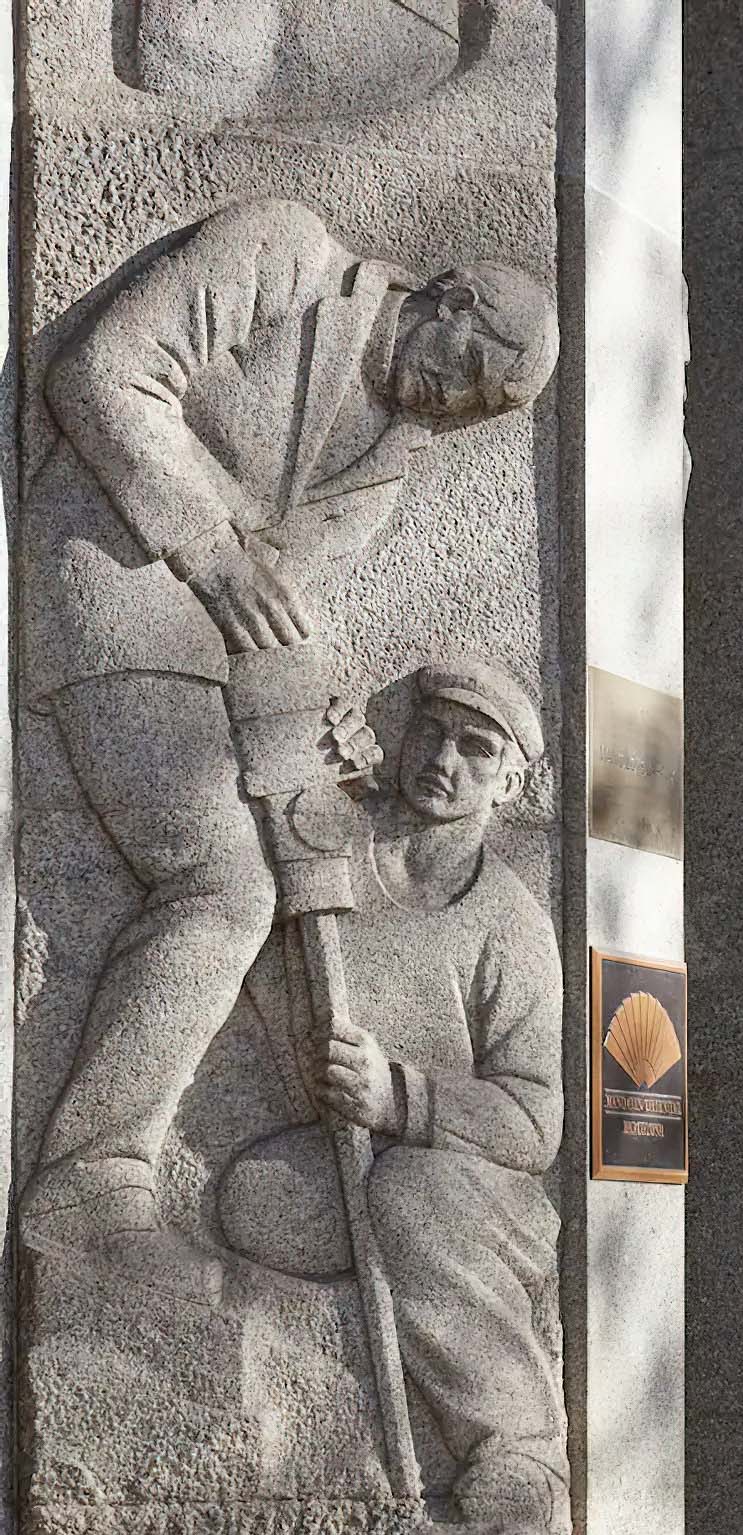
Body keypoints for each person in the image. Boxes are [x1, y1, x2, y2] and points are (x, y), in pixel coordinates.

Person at [22, 196, 559, 1280]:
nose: (449, 412)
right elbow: (101, 375)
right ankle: (91, 1182)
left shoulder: (387, 469)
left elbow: (280, 605)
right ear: (445, 299)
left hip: (206, 652)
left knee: (303, 870)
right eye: (463, 379)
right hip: (104, 571)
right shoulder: (287, 250)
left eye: (477, 415)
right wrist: (208, 545)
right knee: (221, 885)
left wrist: (324, 726)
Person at [219, 660, 565, 1525]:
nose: (445, 758)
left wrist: (399, 1096)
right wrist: (305, 781)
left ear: (510, 782)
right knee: (254, 1197)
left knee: (409, 1194)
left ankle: (521, 1450)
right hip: (338, 1156)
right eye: (433, 732)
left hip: (475, 1189)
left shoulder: (508, 923)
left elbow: (535, 1120)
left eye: (476, 749)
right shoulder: (335, 844)